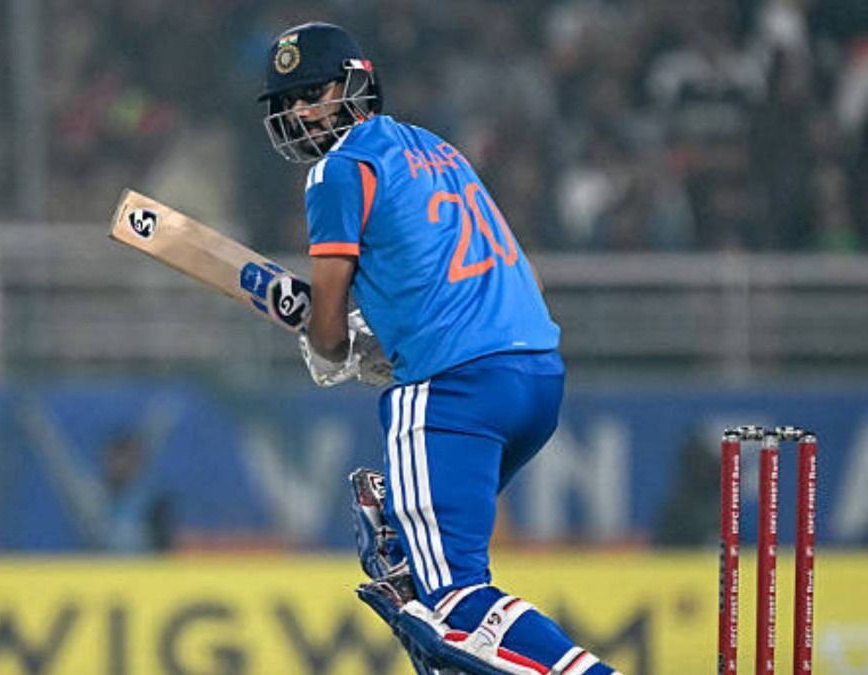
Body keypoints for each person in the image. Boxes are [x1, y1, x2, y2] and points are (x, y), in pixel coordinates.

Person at [257, 22, 621, 674]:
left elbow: (330, 326)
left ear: (355, 84)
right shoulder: (437, 150)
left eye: (313, 92)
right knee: (429, 588)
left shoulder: (336, 170)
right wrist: (386, 338)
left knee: (452, 607)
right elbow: (518, 273)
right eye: (289, 102)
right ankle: (407, 541)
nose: (300, 111)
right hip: (537, 374)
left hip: (454, 389)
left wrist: (333, 349)